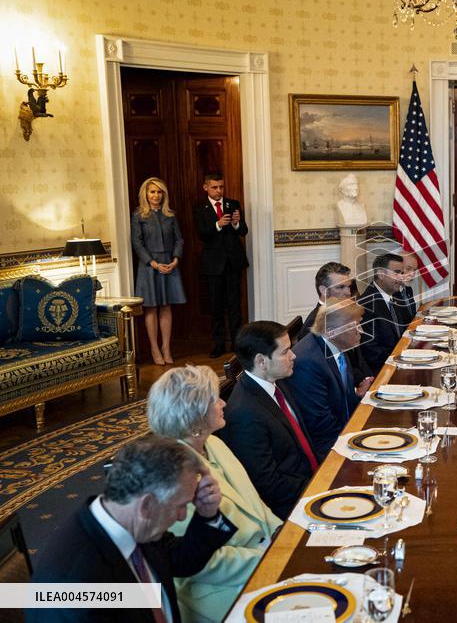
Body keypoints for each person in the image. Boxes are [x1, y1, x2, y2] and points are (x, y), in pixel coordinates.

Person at [29, 435, 235, 623]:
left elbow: (180, 560)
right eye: (180, 506)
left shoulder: (133, 524)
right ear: (146, 505)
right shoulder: (73, 588)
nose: (182, 515)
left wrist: (207, 514)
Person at [147, 365, 282, 622]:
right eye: (215, 400)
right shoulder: (173, 474)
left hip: (264, 553)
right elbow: (202, 560)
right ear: (194, 415)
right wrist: (268, 559)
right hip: (221, 589)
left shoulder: (214, 442)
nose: (223, 403)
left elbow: (255, 503)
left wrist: (281, 533)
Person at [217, 321, 317, 518]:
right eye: (285, 352)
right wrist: (319, 485)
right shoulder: (244, 415)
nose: (293, 355)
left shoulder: (276, 381)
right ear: (261, 361)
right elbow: (269, 485)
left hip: (310, 477)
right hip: (292, 506)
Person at [287, 301, 374, 455]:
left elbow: (340, 401)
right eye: (355, 327)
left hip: (345, 430)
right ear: (332, 331)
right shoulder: (308, 363)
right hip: (328, 448)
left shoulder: (336, 343)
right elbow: (321, 426)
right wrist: (359, 439)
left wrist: (356, 396)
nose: (361, 331)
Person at [131, 177, 186, 365]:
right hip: (149, 266)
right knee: (151, 308)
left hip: (169, 264)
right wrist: (152, 263)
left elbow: (179, 239)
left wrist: (175, 259)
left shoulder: (170, 215)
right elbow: (137, 242)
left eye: (159, 192)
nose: (156, 195)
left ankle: (166, 348)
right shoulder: (139, 215)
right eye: (152, 191)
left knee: (166, 306)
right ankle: (154, 348)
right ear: (145, 194)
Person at [193, 173, 249, 359]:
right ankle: (219, 344)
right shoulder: (200, 208)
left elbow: (244, 231)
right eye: (214, 187)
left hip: (233, 262)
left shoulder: (233, 204)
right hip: (213, 264)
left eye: (221, 187)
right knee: (216, 306)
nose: (219, 191)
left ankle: (236, 343)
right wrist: (217, 224)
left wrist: (236, 224)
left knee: (235, 305)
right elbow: (201, 233)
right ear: (206, 187)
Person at [358, 252, 407, 371]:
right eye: (396, 272)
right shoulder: (366, 305)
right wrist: (402, 364)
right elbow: (372, 352)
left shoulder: (395, 296)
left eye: (402, 273)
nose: (401, 278)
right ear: (380, 274)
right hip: (383, 370)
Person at [301, 261, 354, 338]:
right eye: (341, 287)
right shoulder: (314, 325)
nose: (348, 293)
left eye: (349, 286)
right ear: (323, 290)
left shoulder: (342, 312)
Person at [395, 251, 419, 325]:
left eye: (414, 270)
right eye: (408, 269)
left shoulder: (408, 289)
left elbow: (411, 318)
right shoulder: (389, 292)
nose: (413, 274)